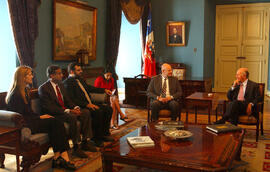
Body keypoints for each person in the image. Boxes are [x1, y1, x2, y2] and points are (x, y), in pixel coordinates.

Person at [6, 66, 76, 170]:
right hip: (26, 124)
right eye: (29, 74)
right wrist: (39, 118)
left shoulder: (25, 90)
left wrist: (40, 116)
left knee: (55, 122)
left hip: (31, 120)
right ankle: (63, 158)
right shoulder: (15, 95)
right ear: (22, 77)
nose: (32, 76)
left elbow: (29, 112)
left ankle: (58, 157)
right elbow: (21, 117)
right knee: (55, 123)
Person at [38, 65, 96, 159]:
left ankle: (85, 141)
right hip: (54, 114)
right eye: (59, 73)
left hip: (65, 111)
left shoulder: (61, 85)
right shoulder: (44, 88)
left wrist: (76, 107)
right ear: (52, 75)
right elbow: (49, 108)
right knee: (71, 117)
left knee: (85, 112)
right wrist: (69, 110)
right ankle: (76, 147)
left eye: (61, 73)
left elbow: (68, 100)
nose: (62, 75)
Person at [63, 63, 114, 147]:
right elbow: (72, 99)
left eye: (81, 69)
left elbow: (89, 88)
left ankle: (104, 134)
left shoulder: (80, 79)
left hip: (90, 102)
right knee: (98, 112)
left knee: (108, 109)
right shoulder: (67, 83)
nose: (81, 71)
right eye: (78, 70)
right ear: (72, 71)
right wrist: (87, 105)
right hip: (82, 106)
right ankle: (96, 138)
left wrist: (104, 90)